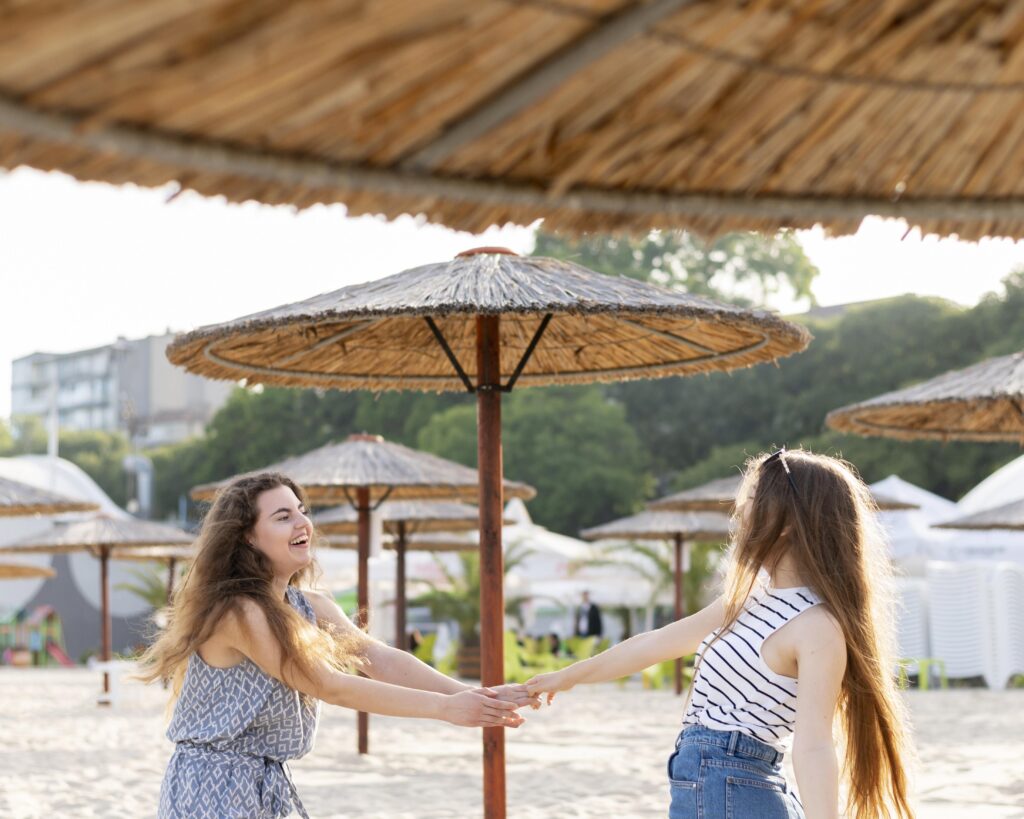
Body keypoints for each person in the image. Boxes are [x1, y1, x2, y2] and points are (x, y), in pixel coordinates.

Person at [527, 449, 914, 819]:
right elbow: (655, 644)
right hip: (718, 783)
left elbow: (813, 744)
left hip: (733, 785)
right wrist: (566, 677)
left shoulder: (816, 625)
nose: (740, 513)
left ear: (788, 522)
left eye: (750, 502)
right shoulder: (750, 598)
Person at [137, 472, 535, 819]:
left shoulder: (309, 604)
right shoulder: (240, 612)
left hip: (261, 781)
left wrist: (476, 695)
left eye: (302, 510)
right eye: (283, 516)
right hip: (211, 785)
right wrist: (445, 709)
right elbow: (327, 685)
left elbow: (378, 658)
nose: (303, 523)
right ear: (248, 537)